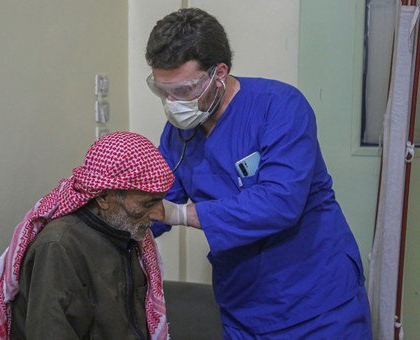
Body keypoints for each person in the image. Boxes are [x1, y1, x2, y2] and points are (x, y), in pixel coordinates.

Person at [145, 7, 372, 339]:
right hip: (244, 307)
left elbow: (279, 202)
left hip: (317, 302)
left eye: (183, 90)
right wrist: (110, 221)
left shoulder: (280, 107)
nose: (172, 102)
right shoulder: (180, 133)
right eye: (163, 91)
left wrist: (180, 213)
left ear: (218, 73)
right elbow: (157, 201)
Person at [0, 132, 174, 340]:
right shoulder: (59, 247)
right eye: (147, 204)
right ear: (103, 196)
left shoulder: (126, 233)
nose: (159, 214)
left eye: (159, 201)